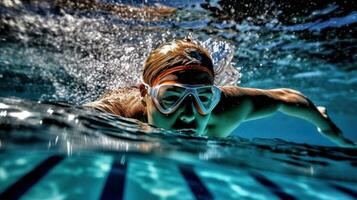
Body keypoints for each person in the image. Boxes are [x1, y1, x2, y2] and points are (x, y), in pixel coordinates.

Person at [85, 39, 355, 147]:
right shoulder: (119, 114)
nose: (190, 115)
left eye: (204, 98)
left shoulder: (227, 108)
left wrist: (326, 127)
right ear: (146, 94)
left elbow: (287, 97)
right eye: (171, 98)